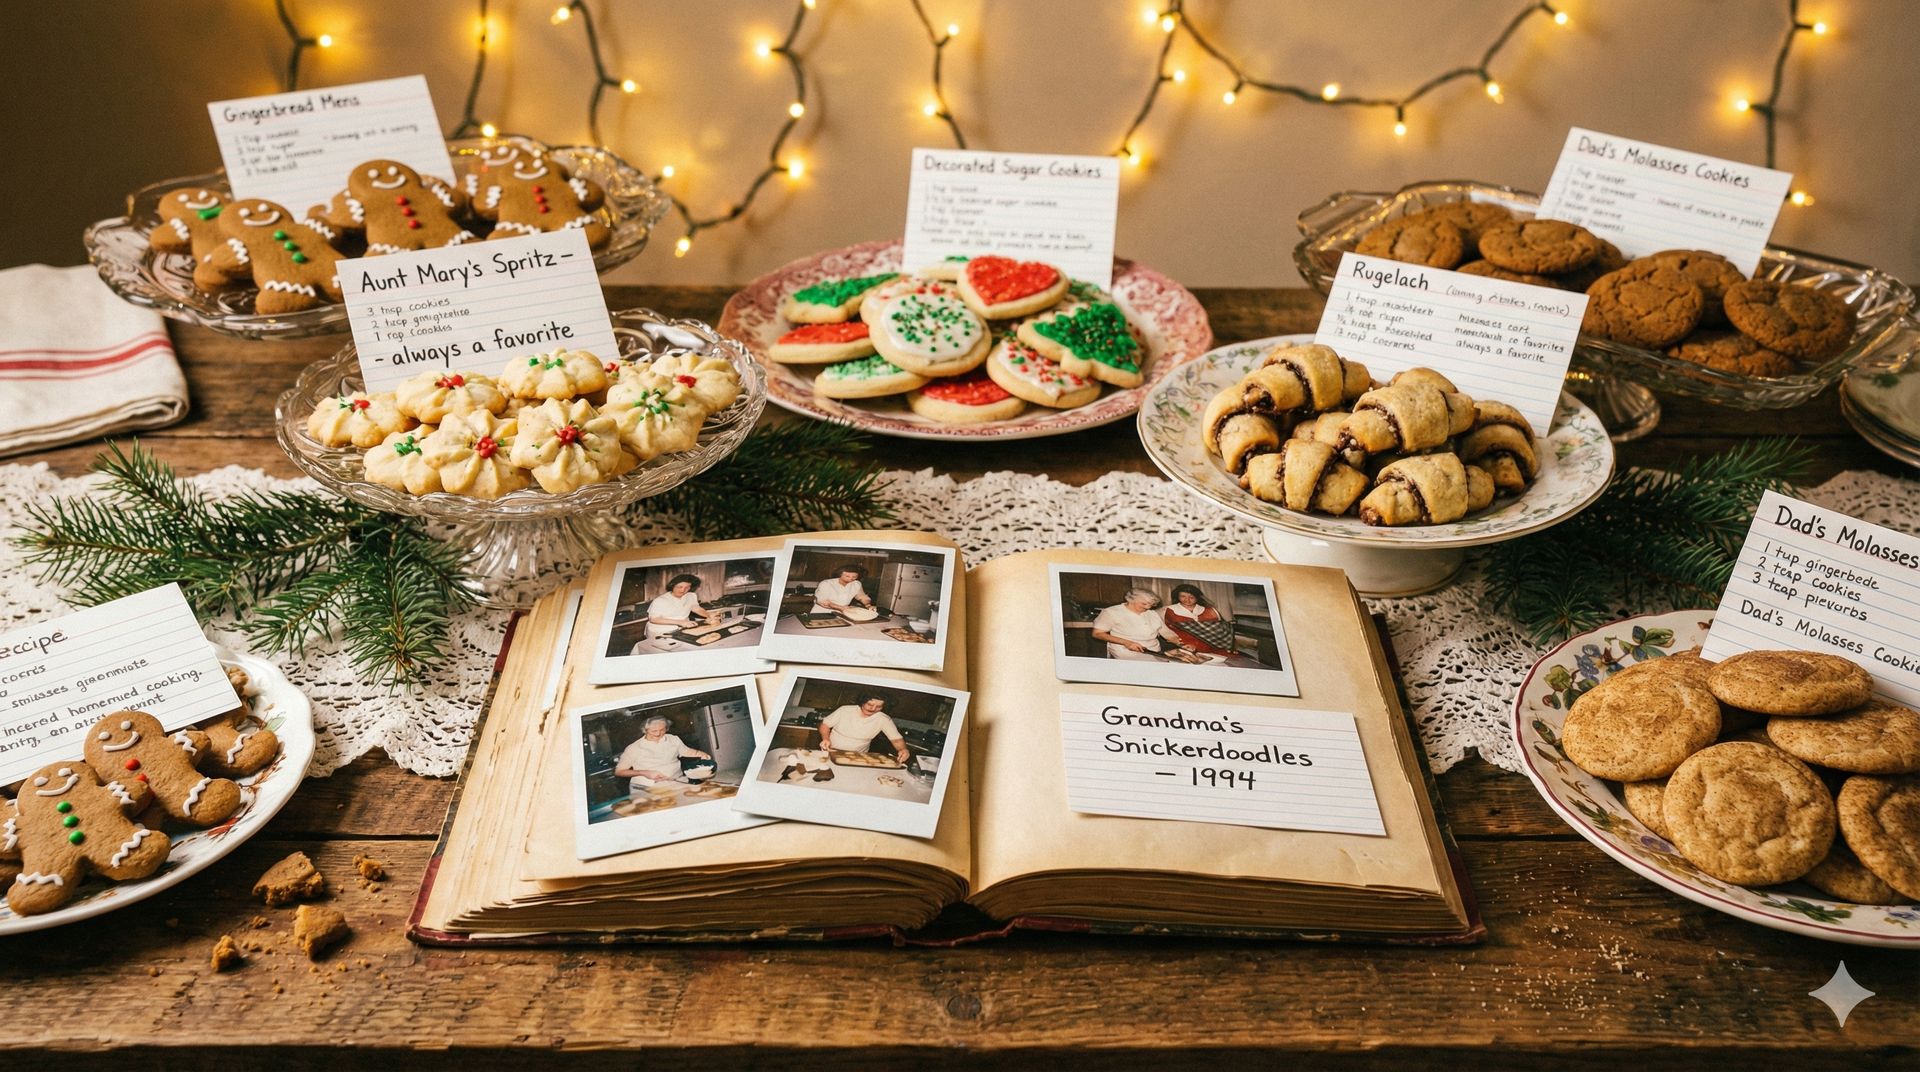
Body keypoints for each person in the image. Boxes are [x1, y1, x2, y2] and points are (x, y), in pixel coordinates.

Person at [614, 714, 711, 795]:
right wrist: (644, 772)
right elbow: (619, 771)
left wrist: (700, 754)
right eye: (654, 731)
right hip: (647, 788)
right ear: (645, 730)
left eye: (662, 730)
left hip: (676, 782)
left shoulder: (673, 739)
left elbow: (686, 751)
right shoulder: (634, 748)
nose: (658, 734)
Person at [1090, 587, 1186, 661]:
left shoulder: (1152, 614)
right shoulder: (1112, 612)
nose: (1148, 607)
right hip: (1125, 652)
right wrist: (1127, 642)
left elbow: (1167, 633)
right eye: (1144, 604)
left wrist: (1181, 643)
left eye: (1151, 605)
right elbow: (1097, 633)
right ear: (1130, 600)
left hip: (1153, 651)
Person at [817, 692, 910, 763]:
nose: (873, 709)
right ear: (862, 701)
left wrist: (903, 749)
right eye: (870, 704)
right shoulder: (845, 710)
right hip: (831, 751)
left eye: (878, 707)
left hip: (858, 757)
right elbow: (825, 725)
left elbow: (896, 739)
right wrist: (825, 739)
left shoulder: (884, 719)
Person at [1160, 584, 1235, 656]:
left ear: (1197, 597)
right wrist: (1179, 643)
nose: (1187, 600)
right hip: (1185, 646)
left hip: (1211, 645)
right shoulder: (1170, 610)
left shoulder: (1209, 610)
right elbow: (1168, 631)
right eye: (1182, 596)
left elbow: (1220, 629)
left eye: (1191, 597)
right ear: (1177, 596)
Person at [644, 573, 715, 640]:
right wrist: (681, 622)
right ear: (672, 586)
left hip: (683, 628)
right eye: (679, 587)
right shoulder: (660, 600)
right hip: (661, 630)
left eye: (687, 587)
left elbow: (696, 608)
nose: (683, 590)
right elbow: (654, 619)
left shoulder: (691, 596)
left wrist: (709, 615)